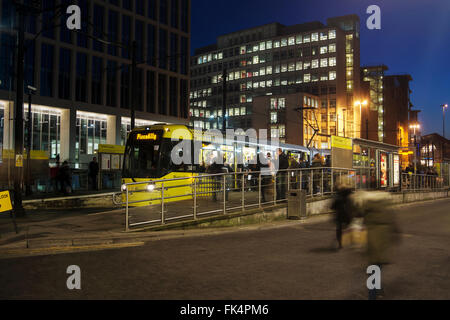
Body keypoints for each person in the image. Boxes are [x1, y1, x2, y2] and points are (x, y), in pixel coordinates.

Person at [353, 191, 401, 300]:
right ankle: (375, 292)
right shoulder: (386, 203)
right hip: (383, 238)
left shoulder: (366, 203)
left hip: (371, 237)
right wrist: (396, 233)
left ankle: (374, 292)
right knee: (377, 266)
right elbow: (393, 220)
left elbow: (357, 216)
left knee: (373, 266)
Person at [331, 176, 356, 250]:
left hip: (340, 214)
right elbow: (353, 203)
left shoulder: (338, 194)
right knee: (349, 227)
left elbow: (334, 205)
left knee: (339, 229)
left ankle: (340, 243)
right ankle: (351, 241)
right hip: (348, 213)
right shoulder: (350, 193)